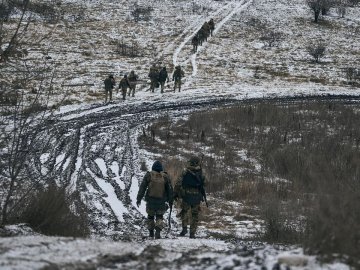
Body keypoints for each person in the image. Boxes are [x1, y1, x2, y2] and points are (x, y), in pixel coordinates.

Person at [137, 160, 173, 239]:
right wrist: (171, 200)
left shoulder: (148, 175)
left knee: (150, 216)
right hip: (161, 201)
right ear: (161, 168)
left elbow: (142, 188)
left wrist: (138, 199)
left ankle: (151, 233)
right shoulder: (165, 177)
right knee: (159, 216)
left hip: (150, 201)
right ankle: (158, 232)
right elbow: (170, 190)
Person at [174, 156, 206, 239]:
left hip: (186, 196)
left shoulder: (185, 171)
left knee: (184, 212)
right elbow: (205, 183)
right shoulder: (201, 172)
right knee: (195, 215)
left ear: (191, 162)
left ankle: (184, 229)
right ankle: (192, 233)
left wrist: (176, 193)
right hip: (196, 196)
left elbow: (178, 183)